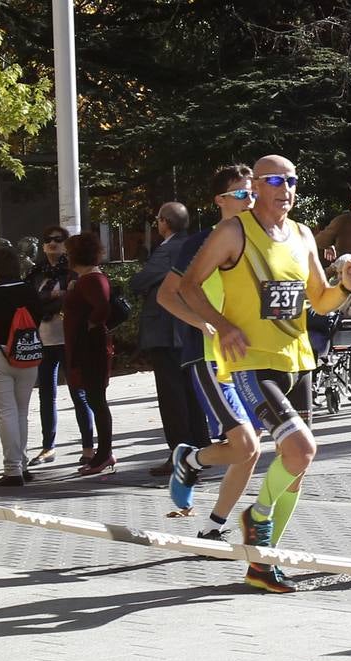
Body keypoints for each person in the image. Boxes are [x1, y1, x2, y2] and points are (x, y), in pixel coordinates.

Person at [178, 154, 351, 593]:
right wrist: (222, 325)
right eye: (276, 181)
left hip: (296, 360)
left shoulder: (302, 235)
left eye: (293, 181)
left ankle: (262, 564)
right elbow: (188, 286)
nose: (286, 189)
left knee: (296, 466)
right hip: (251, 362)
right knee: (302, 449)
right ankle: (255, 517)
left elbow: (320, 300)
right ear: (257, 187)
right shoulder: (233, 232)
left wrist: (348, 287)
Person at [156, 164, 261, 540]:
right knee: (244, 444)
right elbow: (167, 295)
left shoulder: (264, 241)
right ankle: (189, 459)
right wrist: (202, 322)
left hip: (251, 356)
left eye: (253, 193)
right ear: (219, 200)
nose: (249, 200)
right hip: (210, 355)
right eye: (240, 194)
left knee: (251, 448)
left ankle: (213, 525)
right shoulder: (201, 242)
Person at [133, 201, 209, 476]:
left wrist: (148, 284)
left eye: (157, 219)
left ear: (164, 222)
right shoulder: (195, 246)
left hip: (166, 332)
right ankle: (201, 446)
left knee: (172, 395)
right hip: (189, 329)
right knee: (191, 391)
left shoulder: (168, 250)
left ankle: (180, 452)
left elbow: (140, 281)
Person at [26, 225, 94, 467]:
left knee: (79, 393)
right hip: (44, 339)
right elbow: (30, 303)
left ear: (67, 244)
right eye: (48, 240)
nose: (52, 243)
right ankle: (47, 447)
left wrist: (56, 300)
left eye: (59, 239)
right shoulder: (36, 273)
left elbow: (75, 300)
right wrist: (54, 300)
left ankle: (88, 448)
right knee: (46, 394)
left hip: (69, 339)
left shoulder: (73, 272)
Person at [0, 246, 42, 487]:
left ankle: (12, 469)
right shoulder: (29, 292)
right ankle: (22, 465)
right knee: (22, 412)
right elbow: (38, 318)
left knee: (5, 413)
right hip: (27, 356)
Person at [62, 233, 115, 476]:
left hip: (90, 348)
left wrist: (92, 323)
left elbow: (101, 306)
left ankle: (103, 454)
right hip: (87, 346)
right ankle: (103, 453)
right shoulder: (87, 278)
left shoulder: (91, 279)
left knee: (96, 400)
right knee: (94, 399)